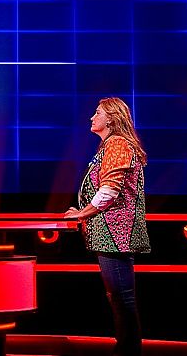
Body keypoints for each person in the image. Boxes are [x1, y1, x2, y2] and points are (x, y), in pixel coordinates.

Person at [65, 97, 151, 356]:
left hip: (116, 233)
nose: (92, 117)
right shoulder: (109, 146)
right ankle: (126, 347)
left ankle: (128, 350)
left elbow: (109, 190)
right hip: (109, 233)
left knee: (122, 296)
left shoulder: (117, 144)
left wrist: (82, 213)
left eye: (98, 113)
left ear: (111, 119)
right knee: (118, 296)